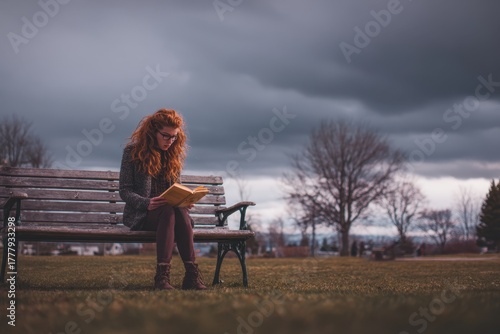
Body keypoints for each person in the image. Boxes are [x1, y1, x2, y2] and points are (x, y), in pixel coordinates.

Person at [119, 108, 207, 290]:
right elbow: (124, 191)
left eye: (174, 137)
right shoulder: (132, 153)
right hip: (142, 215)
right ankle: (162, 277)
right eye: (166, 136)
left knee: (177, 210)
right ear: (153, 132)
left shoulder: (172, 155)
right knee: (168, 211)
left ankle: (191, 275)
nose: (170, 141)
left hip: (171, 215)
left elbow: (176, 188)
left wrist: (184, 200)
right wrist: (146, 203)